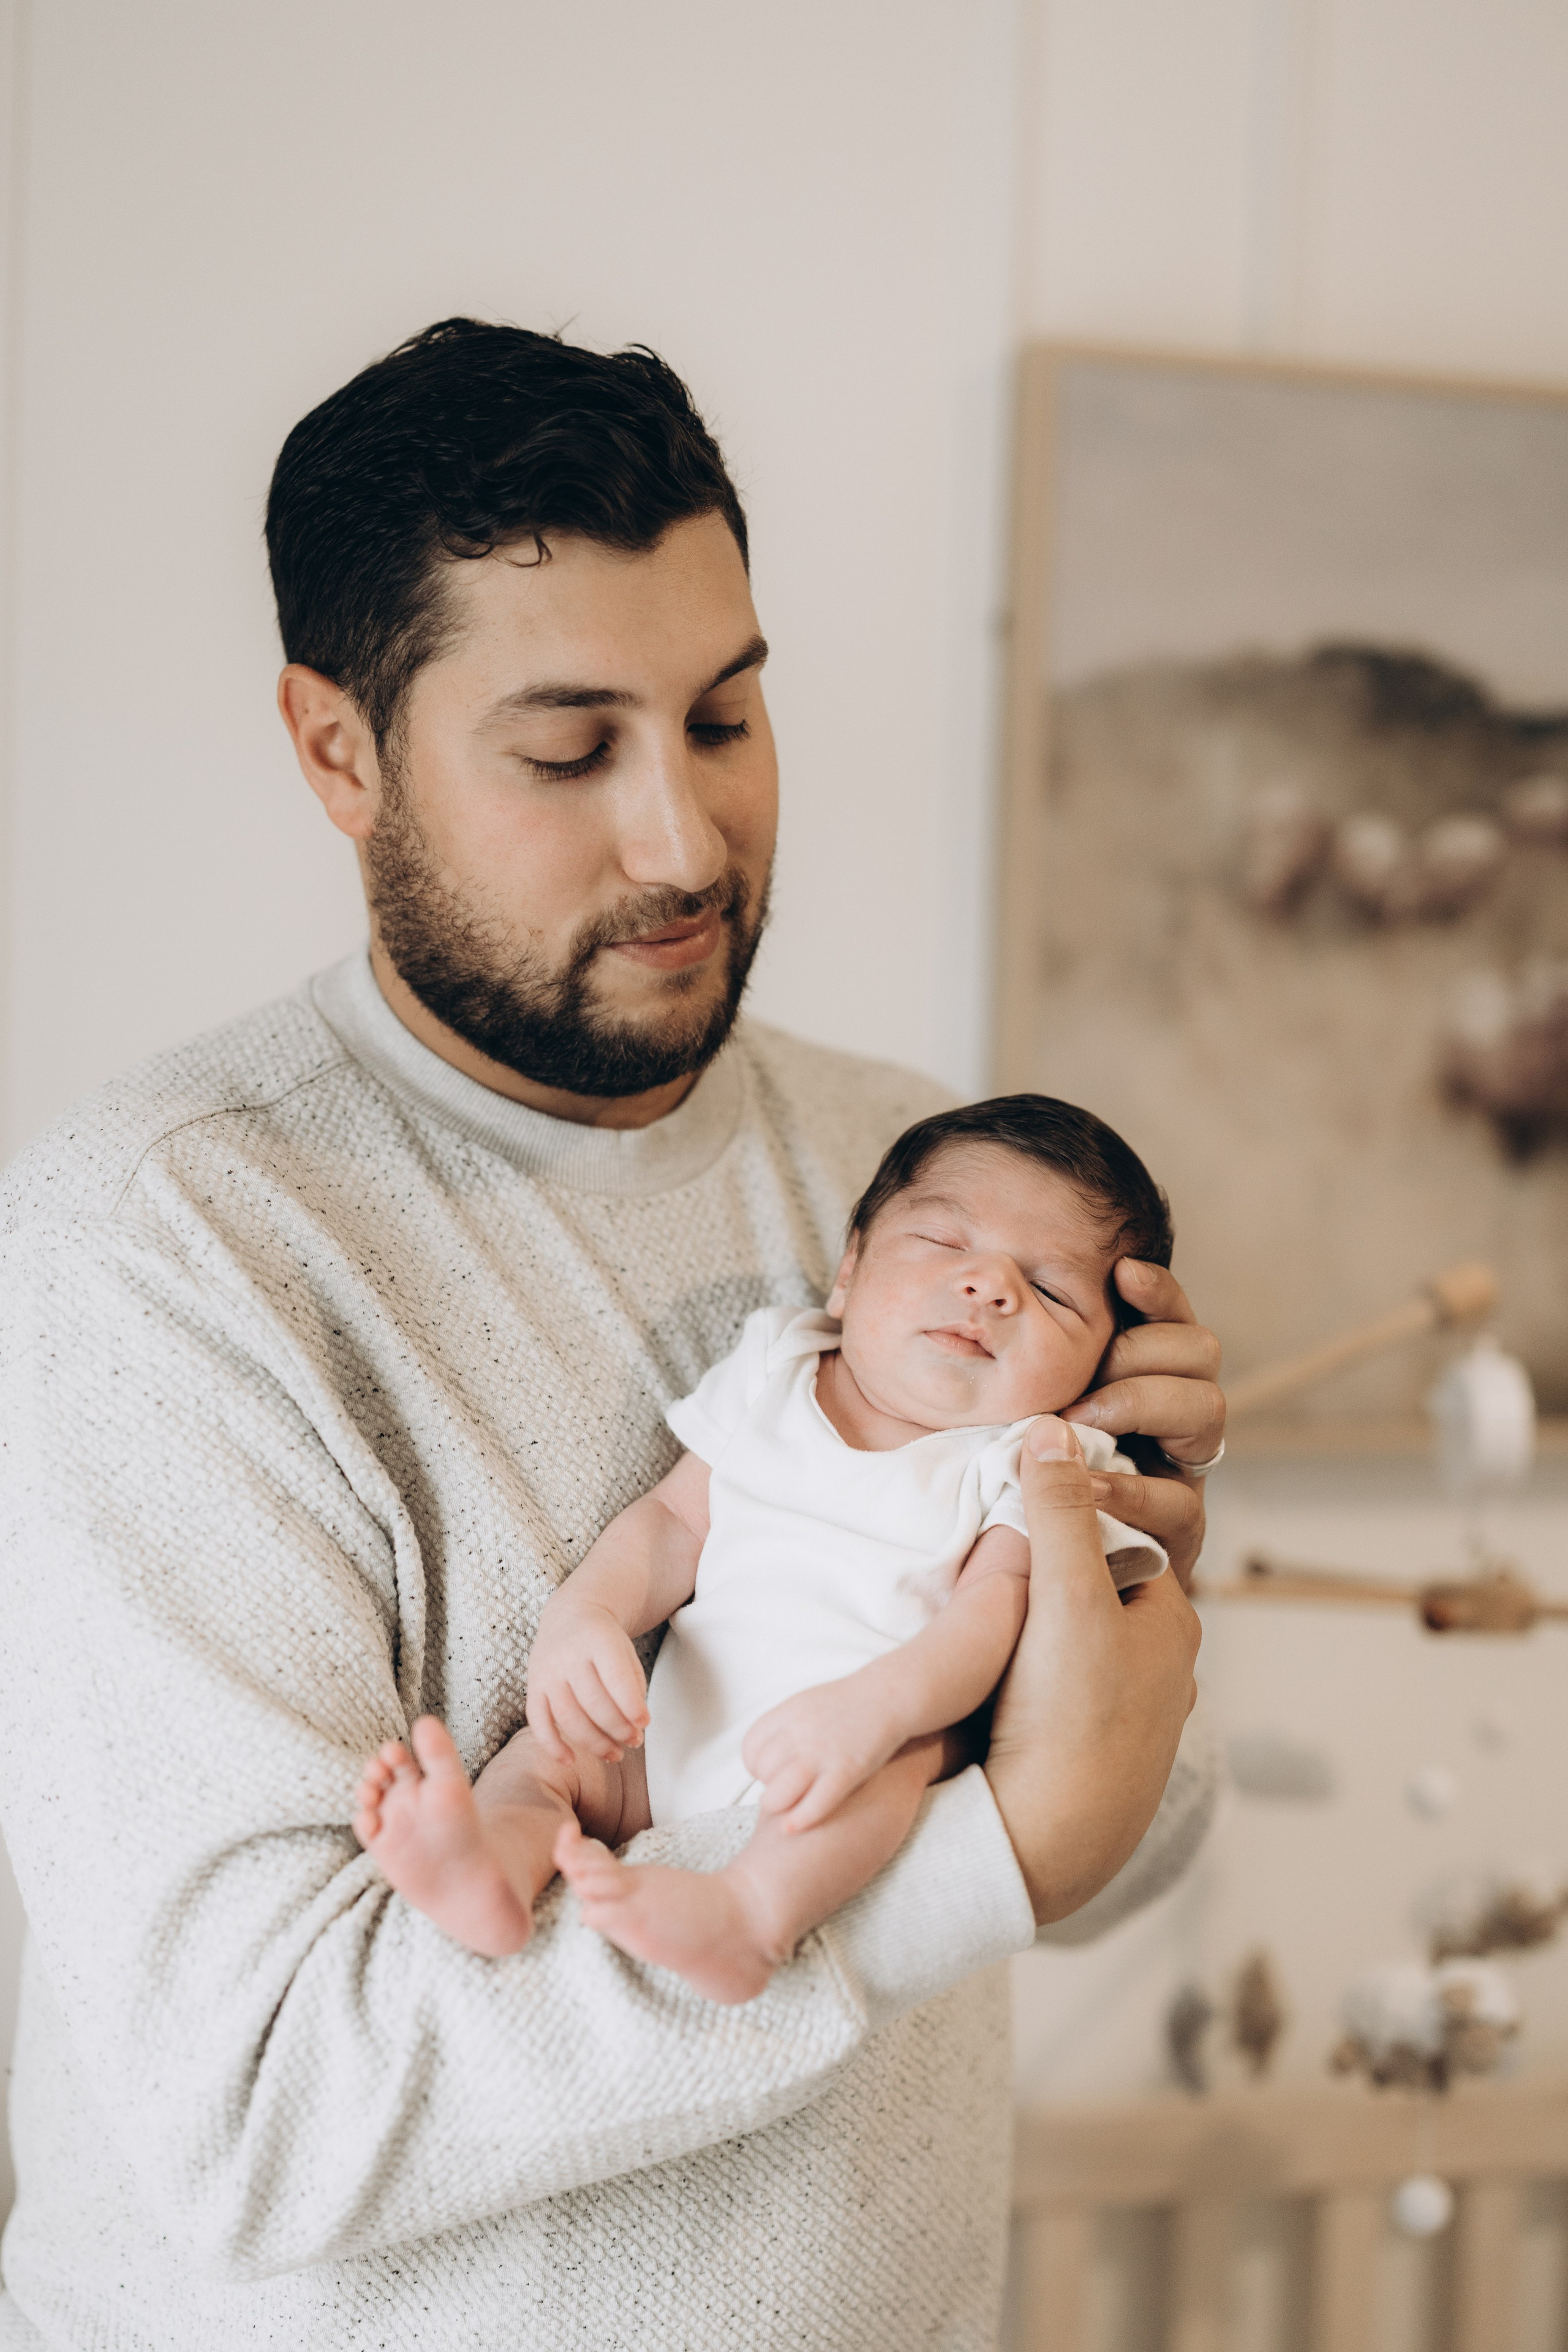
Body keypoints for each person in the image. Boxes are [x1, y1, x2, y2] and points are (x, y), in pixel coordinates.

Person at [0, 319, 1223, 2352]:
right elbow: (261, 2120)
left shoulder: (929, 1185)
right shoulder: (167, 1245)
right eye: (571, 752)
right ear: (338, 751)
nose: (685, 841)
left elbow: (1130, 1839)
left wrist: (1141, 1574)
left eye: (726, 718)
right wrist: (959, 1867)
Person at [354, 1093, 1175, 2004]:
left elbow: (991, 1618)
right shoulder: (775, 1369)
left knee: (910, 1761)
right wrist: (586, 1616)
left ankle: (752, 1914)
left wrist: (878, 1708)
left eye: (1052, 1290)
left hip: (855, 1744)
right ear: (850, 1271)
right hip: (658, 1742)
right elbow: (673, 1524)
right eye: (945, 1242)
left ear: (1101, 1370)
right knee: (549, 1757)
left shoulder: (1036, 1459)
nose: (988, 1287)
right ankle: (493, 1866)